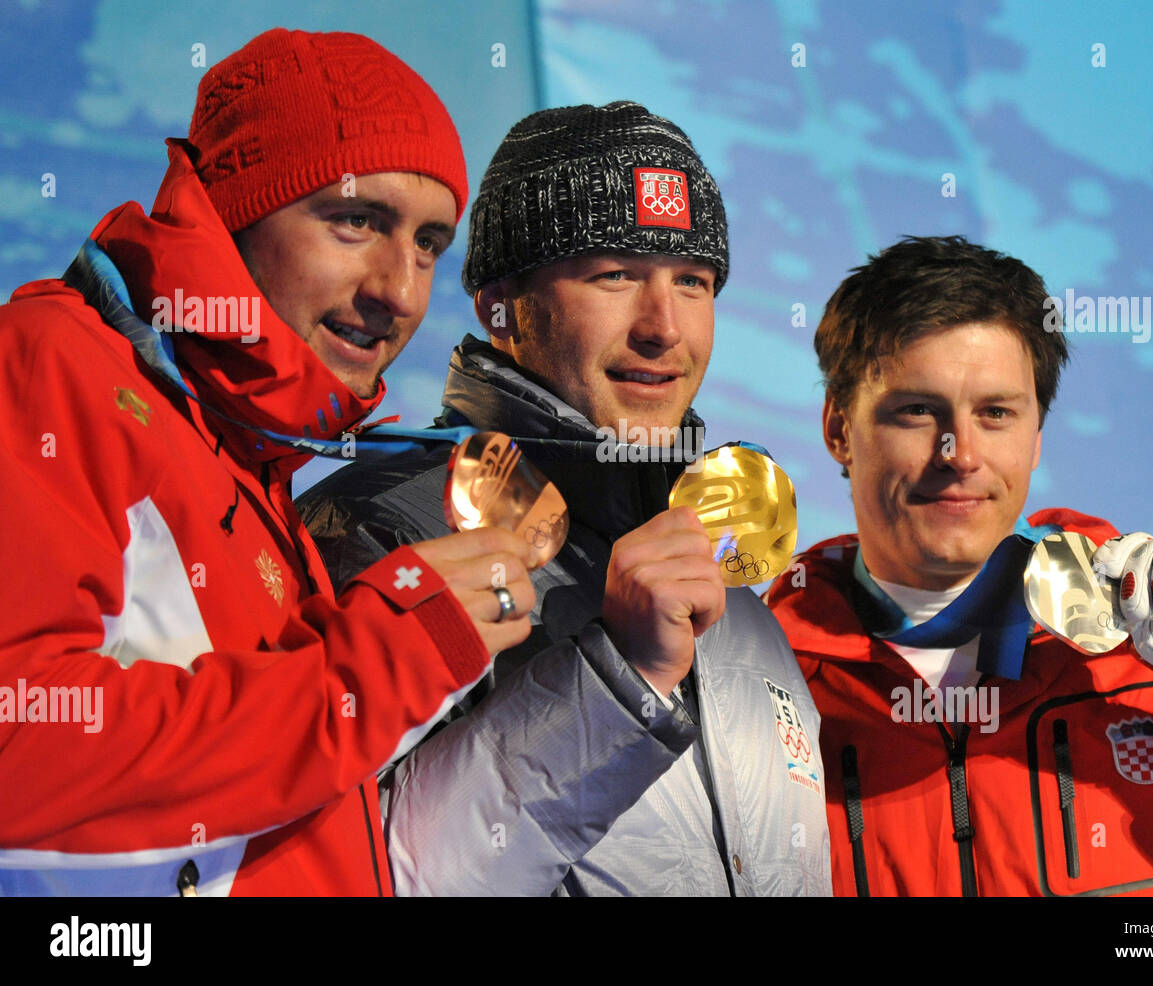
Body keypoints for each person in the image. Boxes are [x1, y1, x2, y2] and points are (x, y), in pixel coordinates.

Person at [0, 28, 537, 896]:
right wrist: (380, 665)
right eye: (358, 221)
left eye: (430, 243)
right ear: (235, 210)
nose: (400, 292)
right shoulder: (53, 367)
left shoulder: (253, 464)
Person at [298, 101, 832, 896]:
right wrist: (618, 679)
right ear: (499, 307)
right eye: (615, 274)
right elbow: (359, 877)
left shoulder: (736, 597)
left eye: (693, 281)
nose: (665, 327)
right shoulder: (379, 534)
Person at [765, 235, 1153, 896]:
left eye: (995, 413)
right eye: (917, 411)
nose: (959, 454)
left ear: (1036, 435)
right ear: (839, 430)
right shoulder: (755, 691)